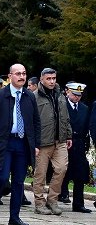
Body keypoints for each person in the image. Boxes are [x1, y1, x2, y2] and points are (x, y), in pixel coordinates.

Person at [0, 64, 41, 225]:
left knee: (18, 181)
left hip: (23, 143)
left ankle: (14, 217)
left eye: (23, 74)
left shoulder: (29, 96)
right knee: (1, 177)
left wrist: (36, 144)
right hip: (5, 143)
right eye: (18, 74)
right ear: (10, 76)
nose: (21, 77)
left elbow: (36, 122)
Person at [32, 68, 72, 216]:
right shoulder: (34, 97)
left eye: (54, 78)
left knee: (62, 169)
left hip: (59, 140)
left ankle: (52, 200)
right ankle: (39, 203)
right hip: (42, 141)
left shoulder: (60, 95)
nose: (52, 81)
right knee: (40, 174)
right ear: (41, 79)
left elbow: (65, 117)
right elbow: (30, 120)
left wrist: (68, 135)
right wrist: (33, 141)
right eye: (48, 78)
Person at [63, 83, 92, 213]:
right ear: (68, 92)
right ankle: (59, 196)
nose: (77, 98)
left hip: (79, 144)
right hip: (64, 143)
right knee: (62, 172)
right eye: (74, 94)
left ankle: (79, 203)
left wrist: (85, 144)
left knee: (80, 174)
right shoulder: (62, 106)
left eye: (79, 95)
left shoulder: (84, 108)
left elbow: (86, 126)